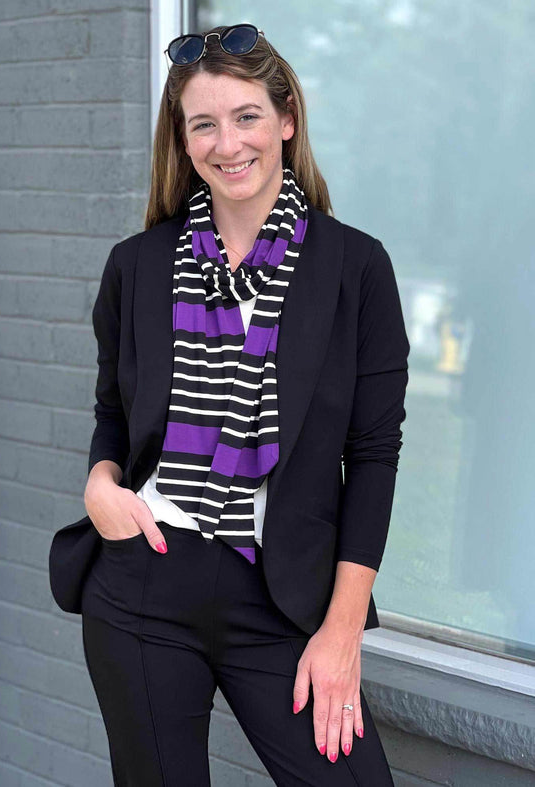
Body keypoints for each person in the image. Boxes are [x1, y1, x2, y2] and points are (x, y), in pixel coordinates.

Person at [75, 23, 409, 786]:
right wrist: (101, 484)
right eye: (204, 123)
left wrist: (343, 628)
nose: (228, 143)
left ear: (286, 118)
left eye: (247, 116)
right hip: (145, 578)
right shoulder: (139, 265)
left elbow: (375, 453)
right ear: (184, 140)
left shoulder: (355, 267)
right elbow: (114, 413)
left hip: (284, 594)